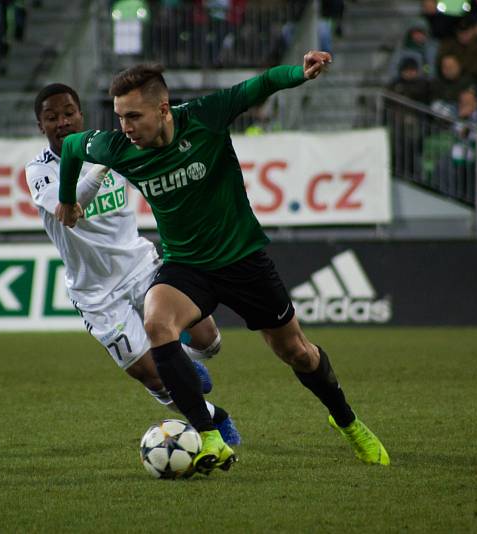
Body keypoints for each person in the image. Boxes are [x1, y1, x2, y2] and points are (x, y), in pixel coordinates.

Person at [55, 53, 390, 475]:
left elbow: (258, 86)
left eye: (134, 116)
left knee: (297, 353)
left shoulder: (204, 117)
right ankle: (207, 435)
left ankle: (346, 420)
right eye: (120, 117)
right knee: (158, 324)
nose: (125, 128)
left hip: (243, 260)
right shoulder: (119, 147)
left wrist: (298, 73)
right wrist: (67, 200)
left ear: (163, 109)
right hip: (187, 266)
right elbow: (70, 146)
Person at [26, 83, 240, 445]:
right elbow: (70, 209)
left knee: (209, 341)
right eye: (51, 118)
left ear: (81, 115)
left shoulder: (116, 146)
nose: (61, 122)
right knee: (155, 377)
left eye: (68, 114)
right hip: (96, 293)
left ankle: (182, 367)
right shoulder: (39, 171)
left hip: (143, 267)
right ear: (40, 126)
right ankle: (213, 417)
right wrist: (101, 169)